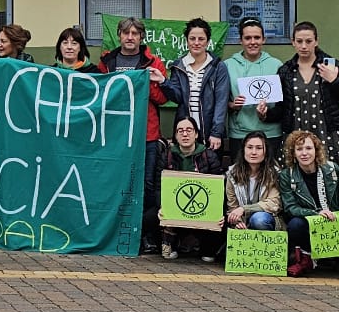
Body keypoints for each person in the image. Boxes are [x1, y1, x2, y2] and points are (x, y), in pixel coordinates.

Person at [96, 17, 173, 249]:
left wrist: (147, 83)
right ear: (119, 35)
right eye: (126, 33)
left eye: (135, 33)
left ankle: (145, 234)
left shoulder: (152, 62)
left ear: (141, 37)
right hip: (115, 134)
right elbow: (100, 96)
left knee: (147, 185)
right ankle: (118, 231)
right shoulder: (107, 62)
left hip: (146, 134)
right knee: (116, 182)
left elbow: (162, 98)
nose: (130, 37)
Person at [278, 21, 339, 179]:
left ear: (316, 41)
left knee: (330, 180)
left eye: (308, 41)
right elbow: (282, 108)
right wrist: (264, 113)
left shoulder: (331, 66)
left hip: (326, 134)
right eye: (299, 41)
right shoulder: (286, 70)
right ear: (293, 42)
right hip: (296, 134)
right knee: (297, 180)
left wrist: (334, 81)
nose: (304, 46)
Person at [277, 129, 339, 276]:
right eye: (299, 149)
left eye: (308, 148)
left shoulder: (333, 170)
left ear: (316, 150)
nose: (304, 153)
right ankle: (305, 257)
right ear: (293, 153)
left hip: (334, 220)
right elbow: (290, 207)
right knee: (295, 224)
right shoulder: (286, 175)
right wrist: (316, 214)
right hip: (309, 221)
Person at [161, 116, 225, 260]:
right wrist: (161, 207)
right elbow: (159, 187)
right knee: (151, 216)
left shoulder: (209, 156)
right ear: (176, 135)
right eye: (180, 131)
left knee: (222, 218)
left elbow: (218, 189)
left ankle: (207, 249)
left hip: (203, 208)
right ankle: (170, 243)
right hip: (175, 207)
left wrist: (217, 213)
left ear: (196, 134)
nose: (185, 134)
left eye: (189, 130)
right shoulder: (167, 156)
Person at [224, 18, 283, 159]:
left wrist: (267, 113)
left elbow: (284, 103)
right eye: (247, 38)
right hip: (240, 133)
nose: (252, 42)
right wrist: (232, 105)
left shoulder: (276, 65)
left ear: (264, 39)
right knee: (240, 177)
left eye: (257, 37)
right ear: (241, 40)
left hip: (270, 133)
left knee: (269, 177)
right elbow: (219, 100)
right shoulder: (227, 65)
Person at [169, 19, 230, 152]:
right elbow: (176, 97)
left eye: (201, 39)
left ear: (207, 41)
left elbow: (221, 101)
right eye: (192, 38)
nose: (196, 43)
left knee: (211, 171)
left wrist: (216, 132)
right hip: (185, 133)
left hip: (210, 134)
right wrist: (163, 82)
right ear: (187, 40)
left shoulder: (218, 67)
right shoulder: (178, 66)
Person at [224, 131, 282, 243]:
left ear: (265, 151)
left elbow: (274, 203)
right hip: (243, 220)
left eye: (259, 148)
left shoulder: (274, 173)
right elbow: (232, 206)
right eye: (250, 147)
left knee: (258, 219)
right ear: (243, 150)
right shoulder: (233, 174)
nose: (253, 152)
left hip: (269, 219)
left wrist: (244, 209)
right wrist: (238, 222)